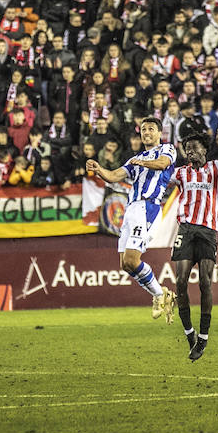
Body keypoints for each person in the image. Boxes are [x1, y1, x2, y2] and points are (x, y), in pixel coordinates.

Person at [85, 117, 177, 321]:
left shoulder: (167, 149)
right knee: (125, 264)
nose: (146, 133)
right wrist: (98, 169)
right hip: (131, 209)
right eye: (143, 129)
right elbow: (114, 176)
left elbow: (163, 164)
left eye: (151, 129)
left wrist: (142, 162)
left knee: (132, 259)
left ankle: (160, 295)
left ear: (159, 133)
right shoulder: (135, 159)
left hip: (148, 207)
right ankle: (162, 295)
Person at [170, 122, 218, 361]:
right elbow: (160, 183)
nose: (189, 152)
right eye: (186, 148)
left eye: (194, 147)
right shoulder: (180, 173)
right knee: (180, 281)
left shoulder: (215, 168)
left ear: (204, 150)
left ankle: (204, 336)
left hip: (208, 231)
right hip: (186, 229)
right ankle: (189, 332)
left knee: (205, 282)